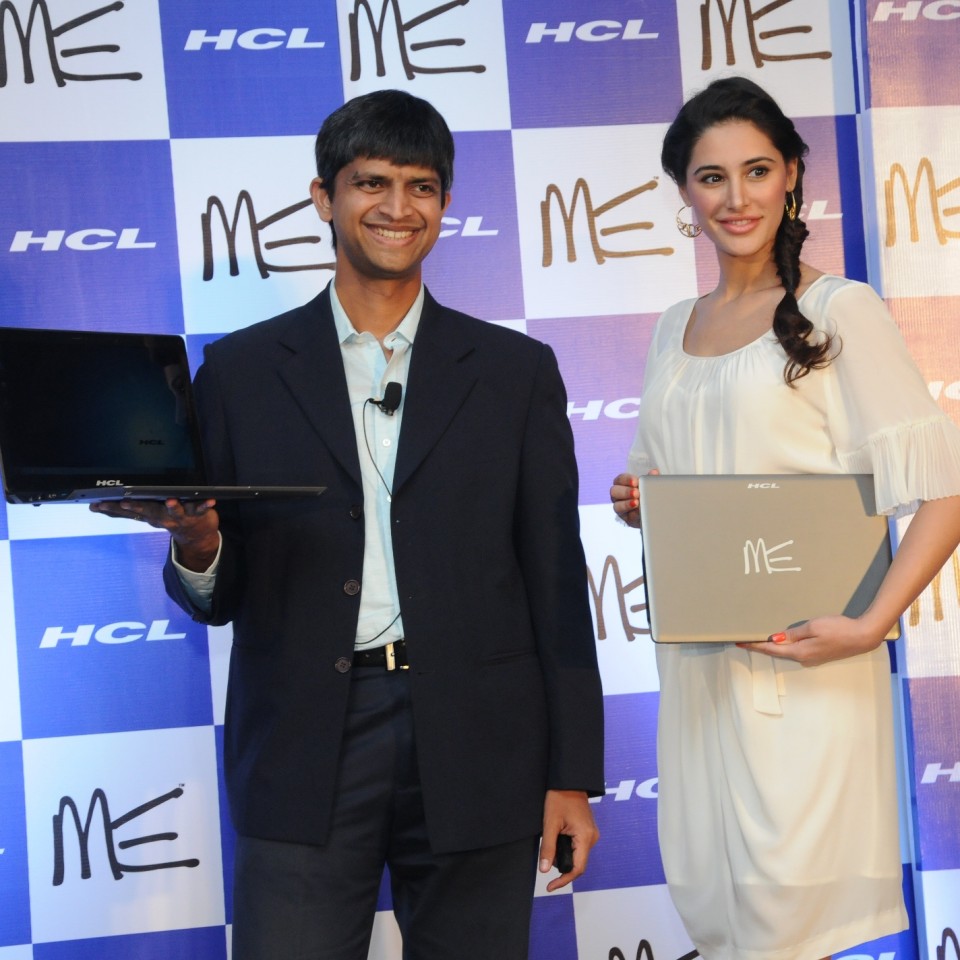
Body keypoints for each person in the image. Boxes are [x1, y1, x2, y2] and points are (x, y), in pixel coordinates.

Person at [93, 89, 603, 959]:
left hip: (480, 740)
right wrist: (198, 542)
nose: (398, 207)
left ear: (444, 203)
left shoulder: (516, 372)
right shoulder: (240, 373)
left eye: (421, 186)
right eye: (371, 183)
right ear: (323, 198)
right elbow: (220, 594)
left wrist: (571, 776)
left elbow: (556, 581)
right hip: (302, 740)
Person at [610, 76, 960, 960]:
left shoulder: (841, 309)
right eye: (712, 177)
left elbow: (946, 490)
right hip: (698, 678)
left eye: (757, 170)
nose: (737, 197)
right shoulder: (672, 327)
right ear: (684, 191)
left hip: (807, 668)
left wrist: (870, 625)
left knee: (802, 922)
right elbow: (663, 482)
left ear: (793, 174)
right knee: (722, 915)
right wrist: (639, 501)